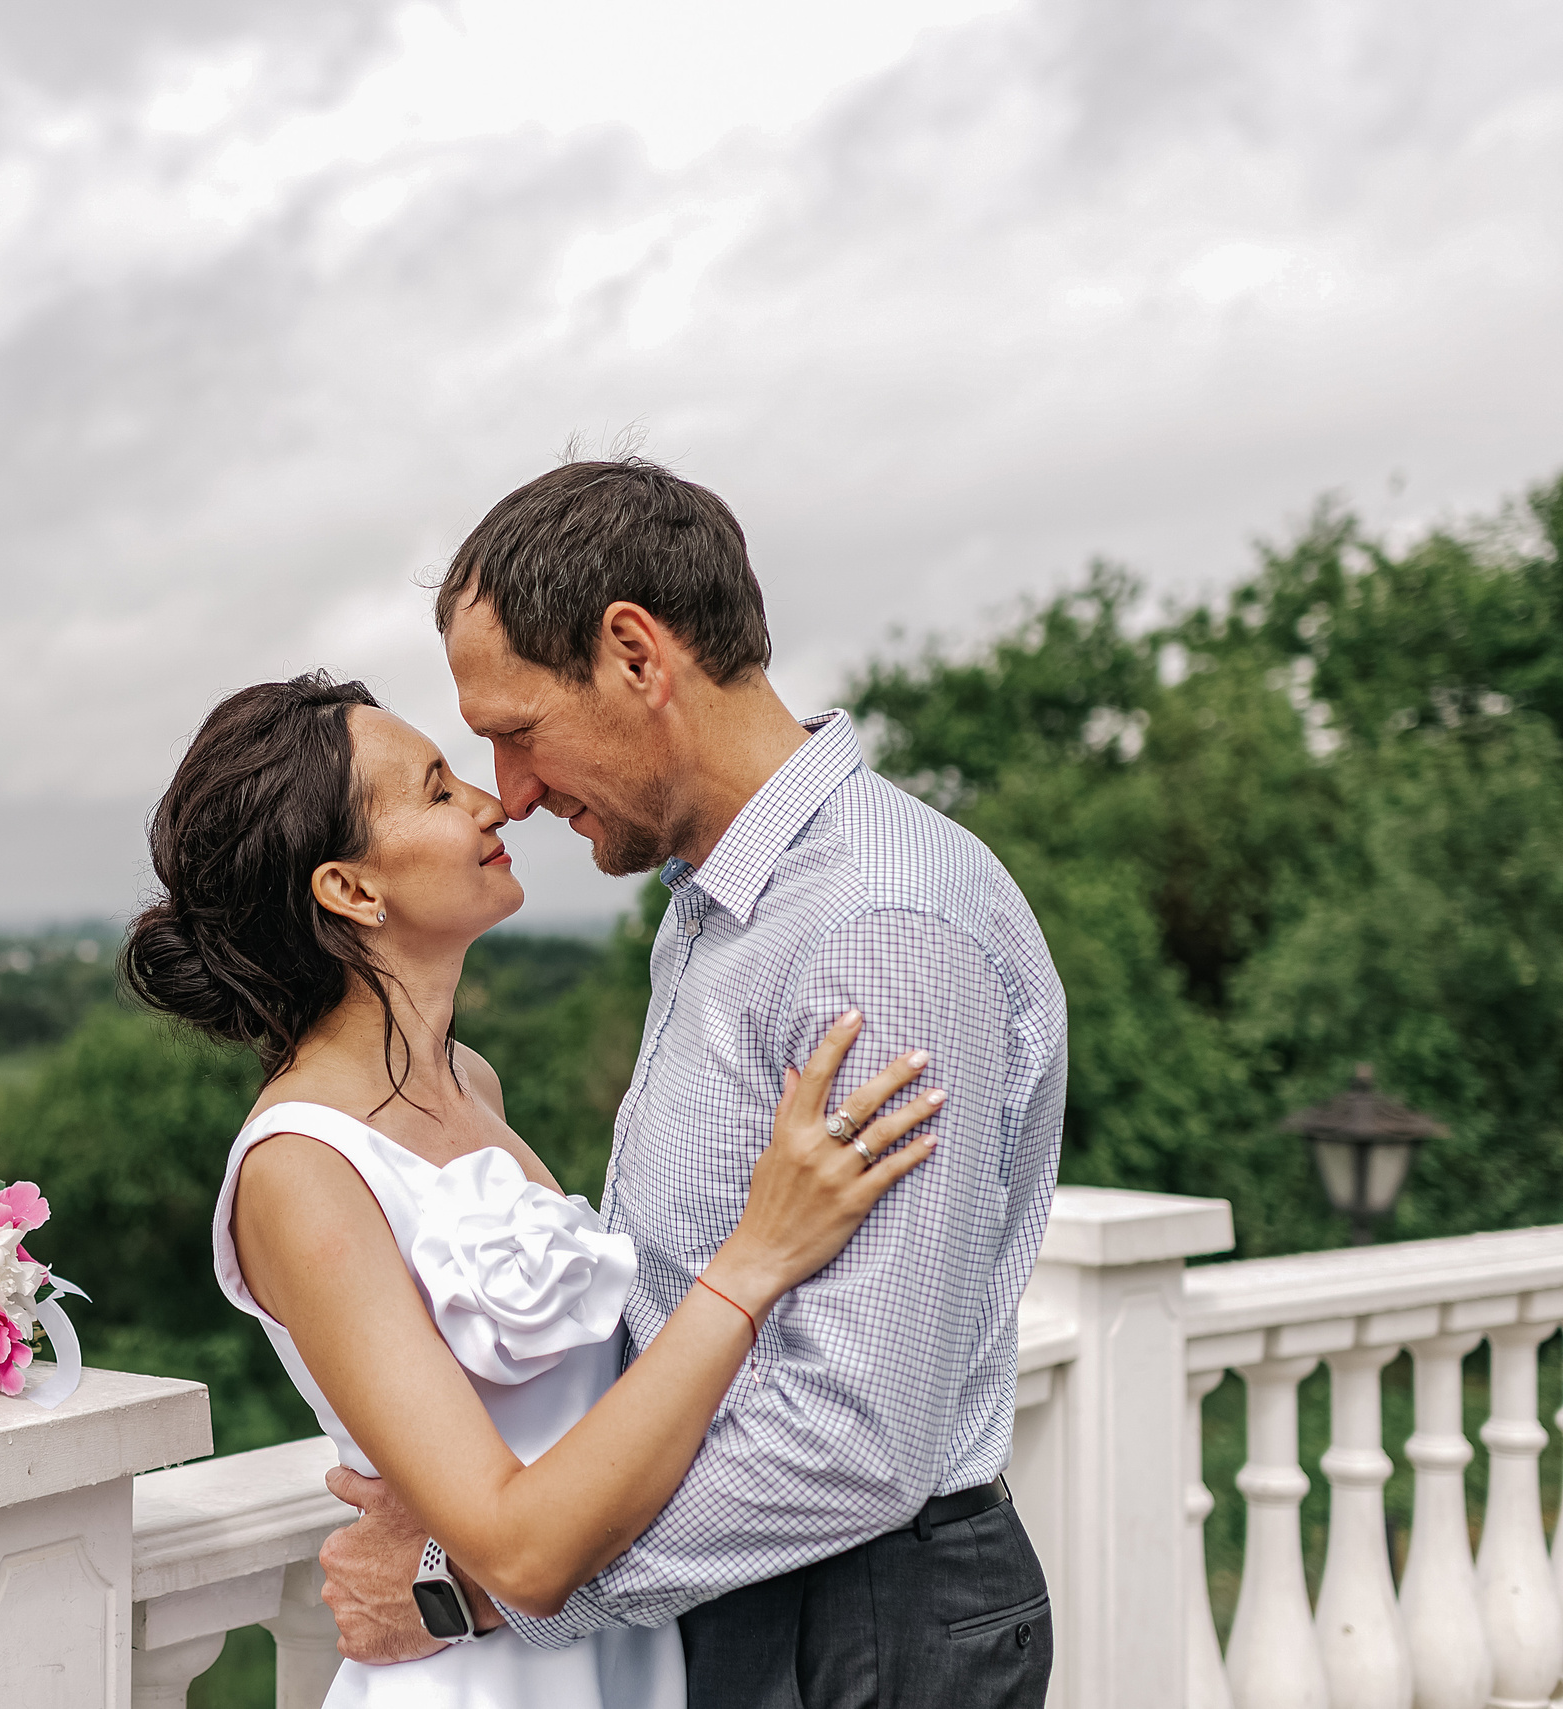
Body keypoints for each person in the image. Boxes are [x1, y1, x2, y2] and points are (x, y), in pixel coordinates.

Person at [315, 458, 1067, 1708]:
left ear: (634, 654)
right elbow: (669, 1290)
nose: (510, 792)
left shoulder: (876, 928)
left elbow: (854, 1440)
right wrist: (501, 1497)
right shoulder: (717, 902)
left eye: (515, 730)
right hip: (755, 1603)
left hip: (855, 1621)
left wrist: (492, 1582)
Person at [123, 670, 944, 1709]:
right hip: (477, 1678)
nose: (491, 800)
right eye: (433, 789)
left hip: (630, 1658)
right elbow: (515, 1542)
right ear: (351, 889)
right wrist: (759, 1254)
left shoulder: (473, 1080)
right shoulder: (301, 1168)